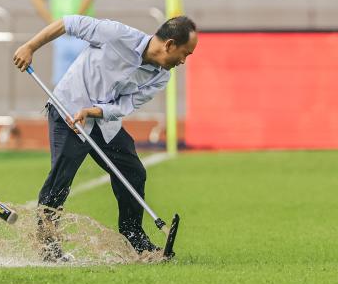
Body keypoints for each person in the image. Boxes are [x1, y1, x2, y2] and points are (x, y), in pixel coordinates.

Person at [11, 15, 198, 257]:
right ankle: (48, 246)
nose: (183, 61)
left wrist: (94, 111)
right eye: (185, 53)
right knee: (61, 179)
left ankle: (134, 238)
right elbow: (68, 23)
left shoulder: (161, 76)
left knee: (133, 172)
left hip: (100, 120)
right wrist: (29, 47)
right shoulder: (116, 34)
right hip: (68, 110)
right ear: (169, 44)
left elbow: (125, 104)